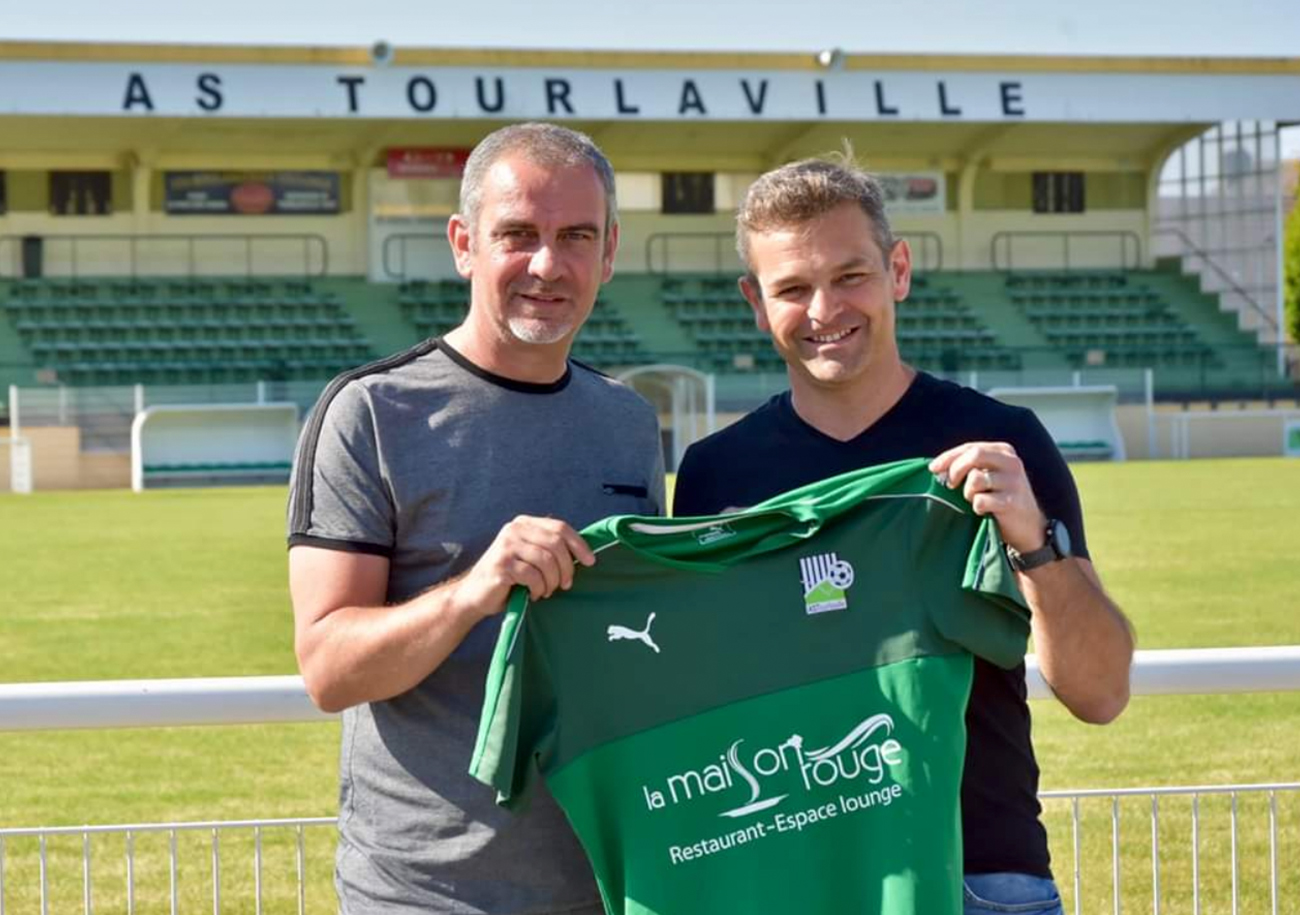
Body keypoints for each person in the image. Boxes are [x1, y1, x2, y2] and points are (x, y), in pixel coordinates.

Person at [672, 156, 1134, 915]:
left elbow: (1103, 693)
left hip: (983, 877)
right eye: (792, 287)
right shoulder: (717, 477)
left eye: (850, 275)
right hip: (795, 876)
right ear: (756, 303)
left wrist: (1035, 547)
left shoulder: (1001, 443)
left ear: (898, 270)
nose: (824, 308)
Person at [287, 122, 664, 915]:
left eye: (576, 237)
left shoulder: (628, 421)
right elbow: (328, 667)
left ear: (610, 252)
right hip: (428, 893)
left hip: (605, 883)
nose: (547, 264)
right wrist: (473, 591)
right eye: (517, 234)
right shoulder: (372, 413)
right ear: (464, 243)